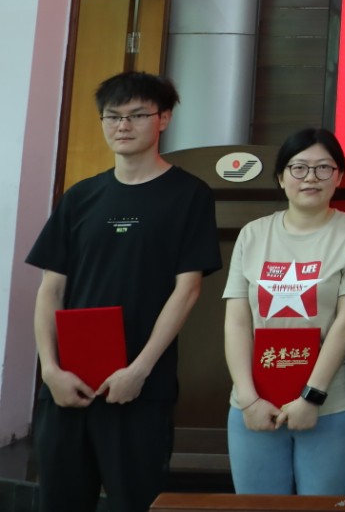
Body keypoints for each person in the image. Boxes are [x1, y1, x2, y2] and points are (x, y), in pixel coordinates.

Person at [27, 72, 220, 512]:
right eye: (112, 116)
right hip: (67, 386)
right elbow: (50, 289)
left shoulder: (189, 194)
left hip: (140, 388)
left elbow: (188, 290)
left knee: (137, 502)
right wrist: (50, 371)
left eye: (137, 115)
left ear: (163, 118)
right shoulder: (80, 197)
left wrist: (139, 370)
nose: (123, 126)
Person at [221, 128, 345, 495]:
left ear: (339, 176)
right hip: (255, 405)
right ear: (281, 177)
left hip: (330, 405)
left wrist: (311, 397)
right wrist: (248, 399)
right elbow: (237, 321)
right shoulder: (253, 234)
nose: (311, 177)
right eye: (299, 167)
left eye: (323, 168)